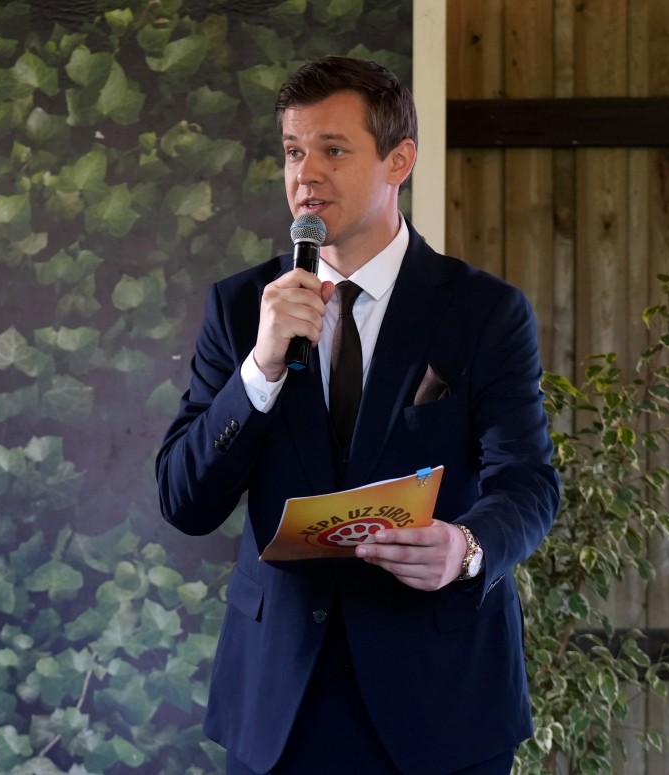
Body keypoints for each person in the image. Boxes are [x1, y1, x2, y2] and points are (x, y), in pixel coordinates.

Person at [155, 56, 560, 774]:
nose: (305, 175)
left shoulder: (485, 312)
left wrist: (466, 547)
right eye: (293, 152)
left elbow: (528, 481)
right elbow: (185, 501)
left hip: (442, 697)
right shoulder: (241, 309)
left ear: (398, 160)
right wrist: (260, 369)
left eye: (333, 150)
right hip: (279, 702)